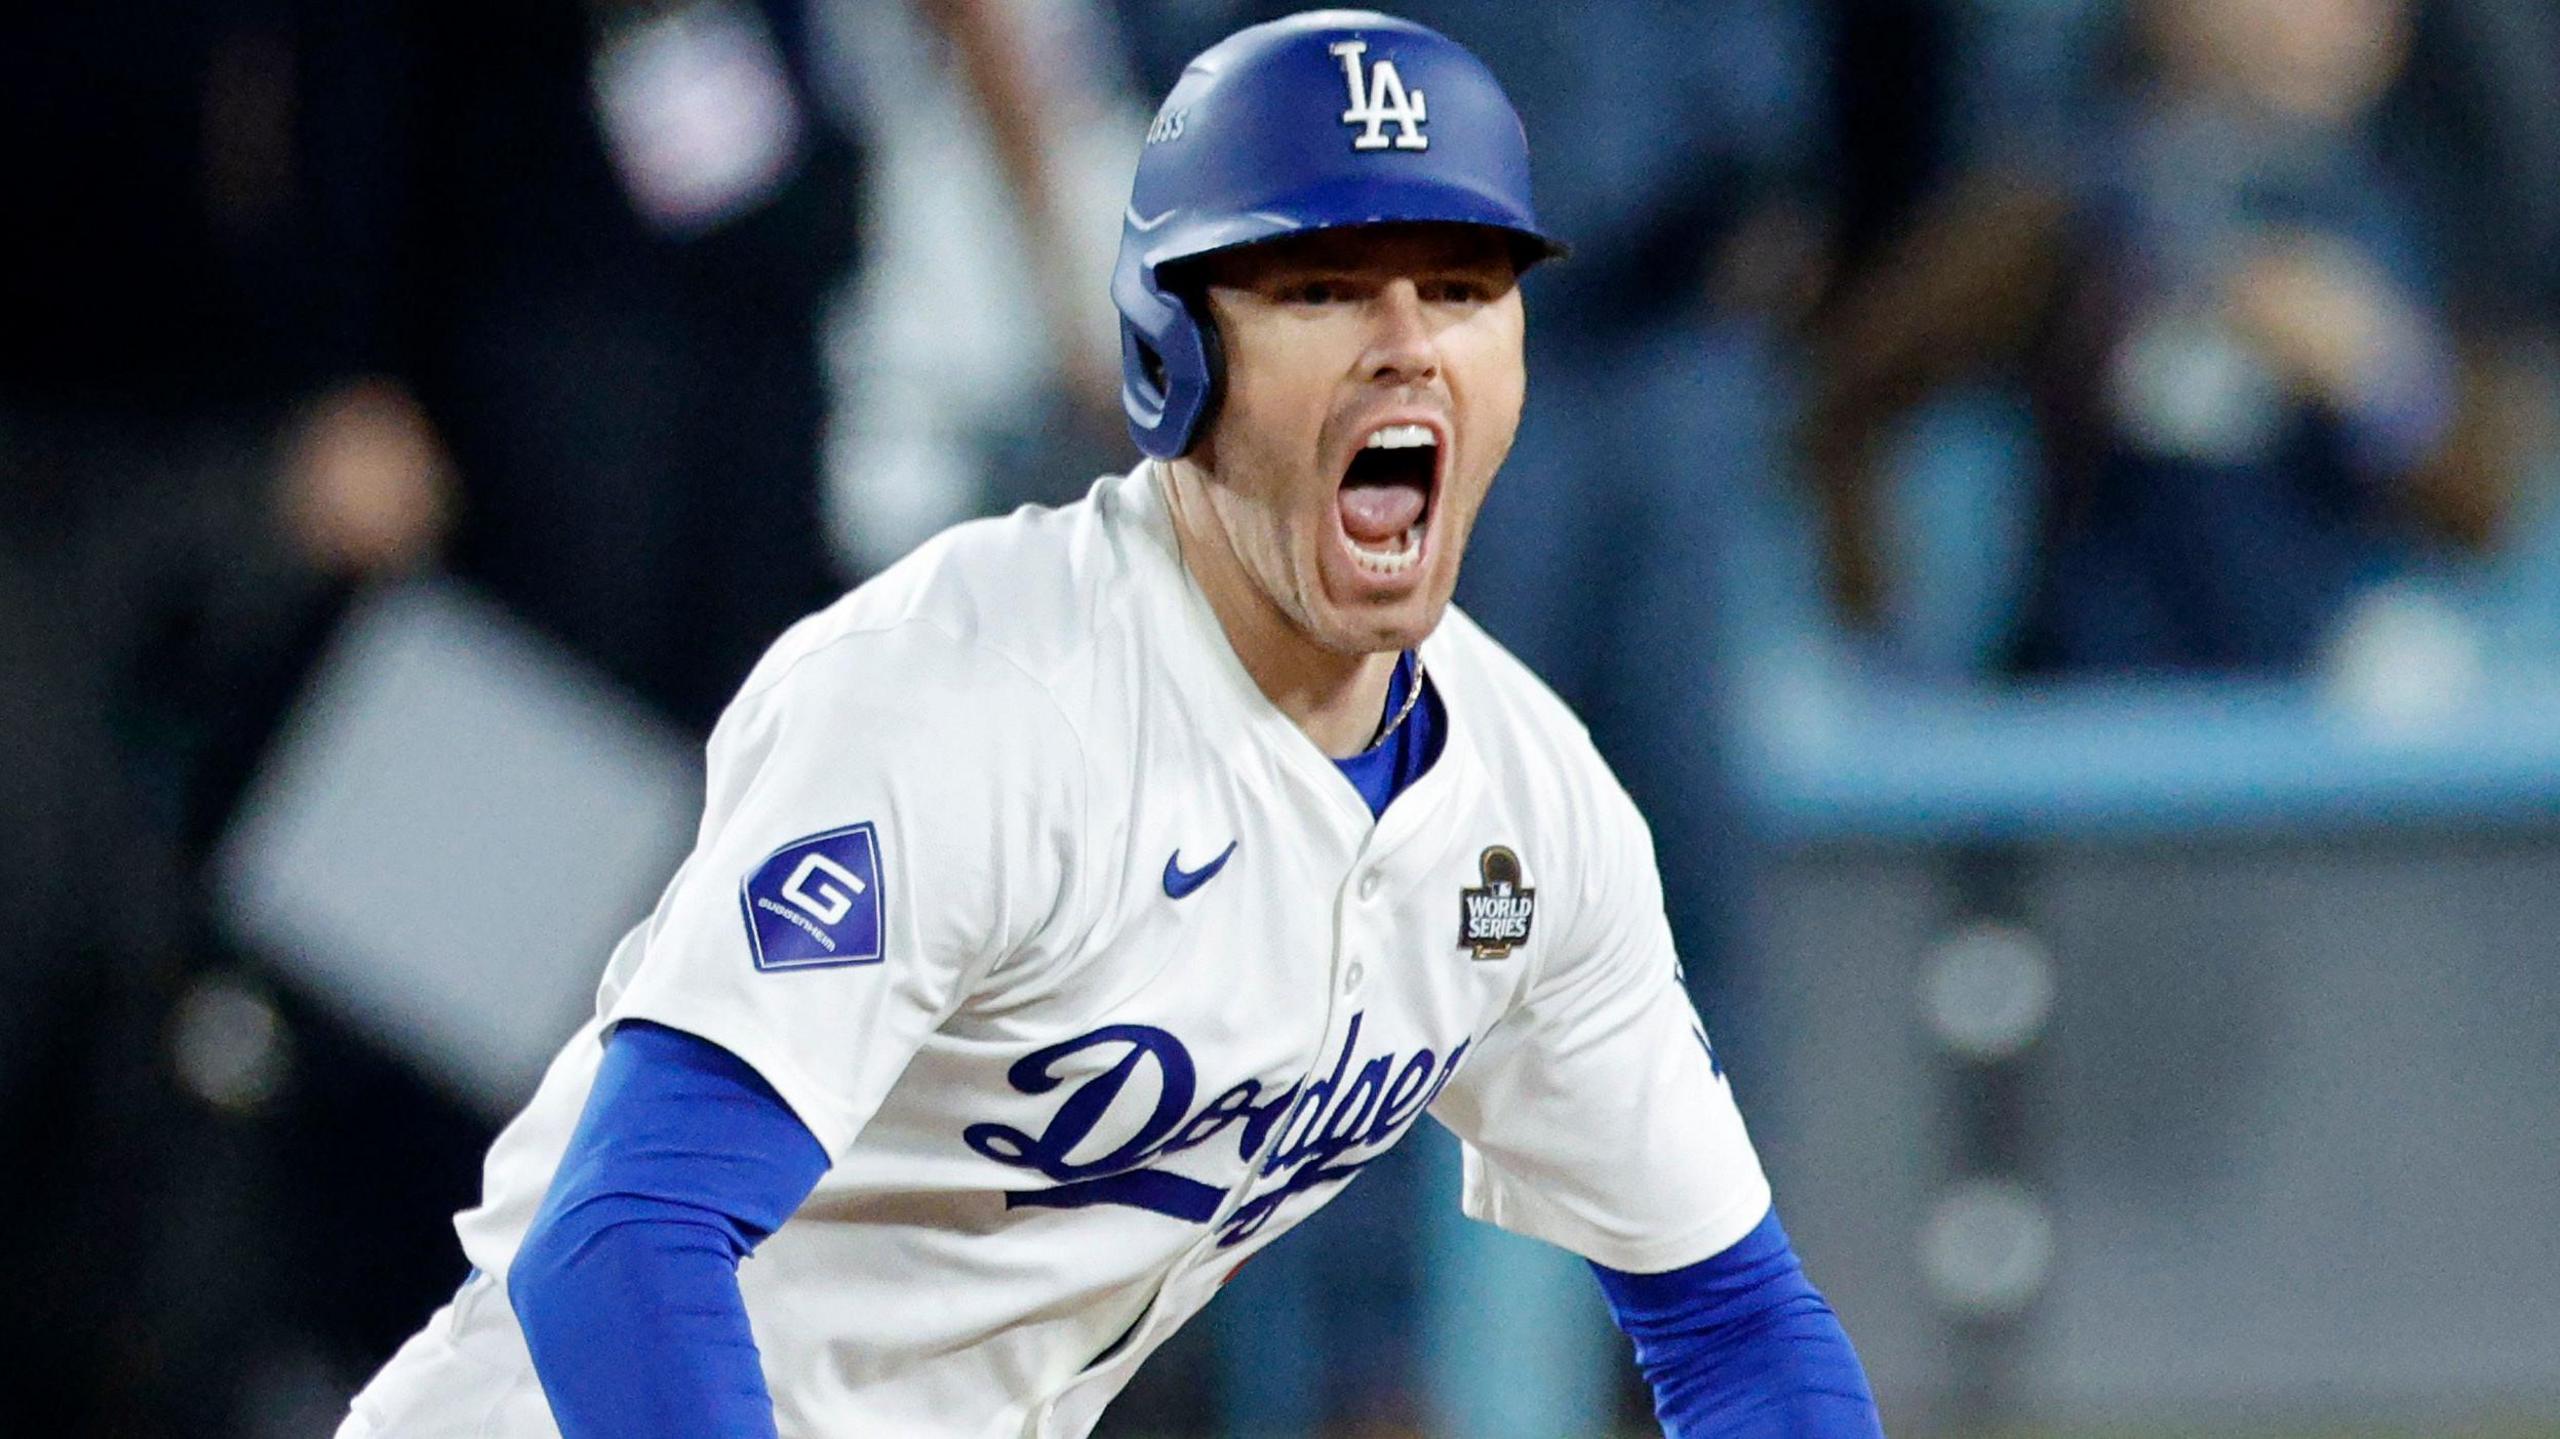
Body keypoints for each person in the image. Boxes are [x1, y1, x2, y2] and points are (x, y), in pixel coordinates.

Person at [337, 13, 1883, 1438]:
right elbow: (625, 1241)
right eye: (1325, 288)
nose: (1409, 345)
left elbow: (1739, 1324)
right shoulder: (977, 696)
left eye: (1466, 289)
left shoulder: (1526, 804)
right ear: (1174, 356)